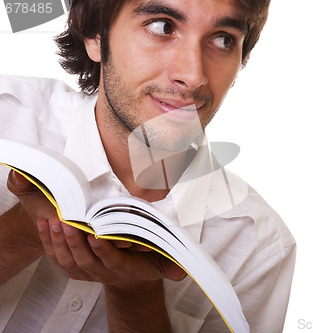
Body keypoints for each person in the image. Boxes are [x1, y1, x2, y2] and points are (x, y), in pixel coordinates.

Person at [0, 0, 296, 332]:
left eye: (223, 39)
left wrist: (136, 294)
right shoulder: (5, 117)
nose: (193, 76)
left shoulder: (256, 245)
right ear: (95, 34)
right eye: (162, 26)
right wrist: (26, 228)